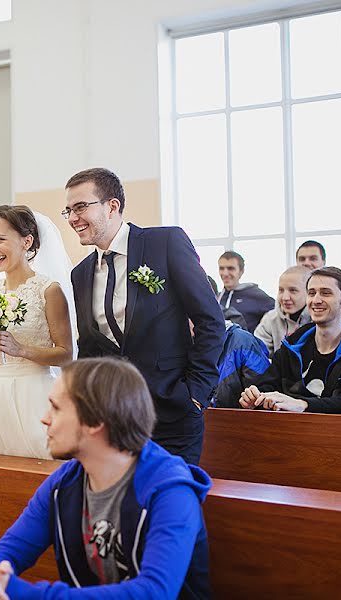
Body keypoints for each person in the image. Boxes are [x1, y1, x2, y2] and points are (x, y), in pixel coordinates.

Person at [0, 358, 211, 600]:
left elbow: (153, 592)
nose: (44, 418)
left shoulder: (170, 491)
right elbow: (10, 549)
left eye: (56, 408)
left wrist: (18, 591)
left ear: (94, 421)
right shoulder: (64, 482)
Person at [66, 168, 224, 465]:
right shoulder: (81, 274)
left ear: (112, 206)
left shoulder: (164, 243)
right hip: (114, 418)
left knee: (172, 502)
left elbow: (210, 320)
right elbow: (90, 347)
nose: (73, 218)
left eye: (80, 207)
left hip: (173, 409)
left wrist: (196, 393)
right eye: (68, 210)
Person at [0, 205, 73, 459]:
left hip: (34, 393)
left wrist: (22, 350)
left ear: (26, 241)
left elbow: (66, 354)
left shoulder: (48, 290)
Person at [240, 267, 341, 414]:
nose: (316, 300)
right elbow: (267, 385)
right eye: (311, 293)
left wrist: (304, 405)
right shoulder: (292, 344)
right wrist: (255, 397)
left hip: (338, 431)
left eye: (326, 293)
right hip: (290, 429)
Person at [295, 239, 341, 324]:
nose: (307, 263)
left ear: (324, 261)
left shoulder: (339, 282)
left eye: (313, 258)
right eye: (302, 259)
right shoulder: (289, 286)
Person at [254, 266, 311, 355]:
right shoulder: (270, 319)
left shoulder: (319, 320)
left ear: (309, 293)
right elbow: (257, 354)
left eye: (293, 290)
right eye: (281, 290)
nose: (285, 297)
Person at [216, 251, 274, 333]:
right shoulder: (217, 297)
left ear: (241, 271)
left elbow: (278, 314)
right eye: (221, 268)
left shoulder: (255, 294)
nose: (225, 273)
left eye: (230, 268)